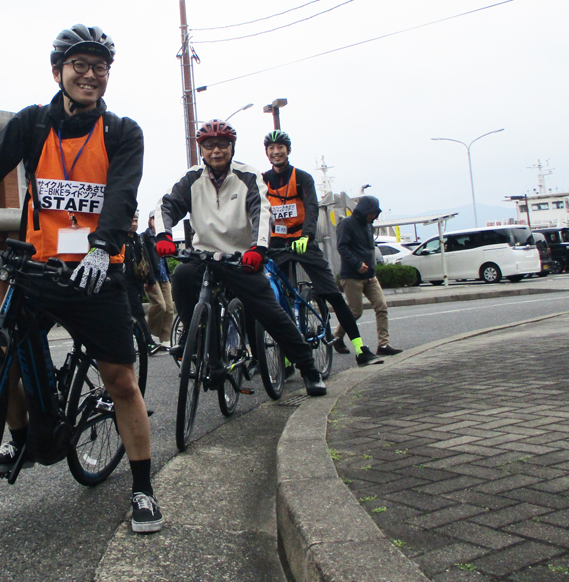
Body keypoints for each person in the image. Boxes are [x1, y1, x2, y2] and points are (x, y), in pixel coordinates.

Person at [0, 23, 162, 533]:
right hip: (36, 269)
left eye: (100, 67)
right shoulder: (33, 125)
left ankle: (142, 489)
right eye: (79, 65)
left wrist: (105, 248)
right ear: (57, 71)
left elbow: (121, 195)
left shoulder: (122, 132)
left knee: (120, 381)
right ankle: (24, 441)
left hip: (96, 274)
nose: (90, 75)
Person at [155, 119, 328, 398]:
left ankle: (309, 369)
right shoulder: (192, 177)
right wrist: (163, 235)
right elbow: (167, 205)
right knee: (182, 276)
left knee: (270, 312)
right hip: (204, 256)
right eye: (209, 146)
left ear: (232, 147)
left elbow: (262, 211)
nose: (216, 151)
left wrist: (258, 249)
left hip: (241, 257)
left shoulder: (248, 176)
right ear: (201, 150)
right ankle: (193, 335)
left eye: (222, 144)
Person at [262, 131, 394, 365]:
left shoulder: (302, 178)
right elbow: (257, 211)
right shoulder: (263, 180)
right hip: (277, 243)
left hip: (303, 241)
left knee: (333, 293)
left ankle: (360, 348)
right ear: (267, 153)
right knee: (271, 296)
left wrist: (307, 235)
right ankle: (286, 359)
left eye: (280, 146)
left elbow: (312, 208)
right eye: (271, 148)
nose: (276, 151)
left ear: (288, 150)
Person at [334, 195, 394, 352]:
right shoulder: (346, 224)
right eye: (372, 213)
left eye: (376, 213)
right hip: (352, 276)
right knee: (355, 312)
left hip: (370, 275)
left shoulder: (369, 226)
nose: (374, 216)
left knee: (381, 306)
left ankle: (383, 344)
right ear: (364, 210)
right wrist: (357, 264)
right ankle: (337, 337)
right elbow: (342, 247)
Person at [142, 211, 174, 349]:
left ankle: (165, 340)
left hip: (164, 275)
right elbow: (146, 258)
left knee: (170, 308)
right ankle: (147, 333)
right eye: (154, 219)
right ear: (150, 220)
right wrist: (148, 278)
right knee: (160, 305)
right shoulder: (145, 237)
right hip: (152, 276)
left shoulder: (162, 237)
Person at [122, 211, 152, 343]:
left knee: (135, 313)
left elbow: (146, 259)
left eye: (136, 221)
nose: (134, 224)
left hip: (136, 282)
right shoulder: (121, 239)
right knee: (136, 313)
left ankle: (144, 342)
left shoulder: (138, 239)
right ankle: (147, 342)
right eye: (132, 221)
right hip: (124, 282)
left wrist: (149, 279)